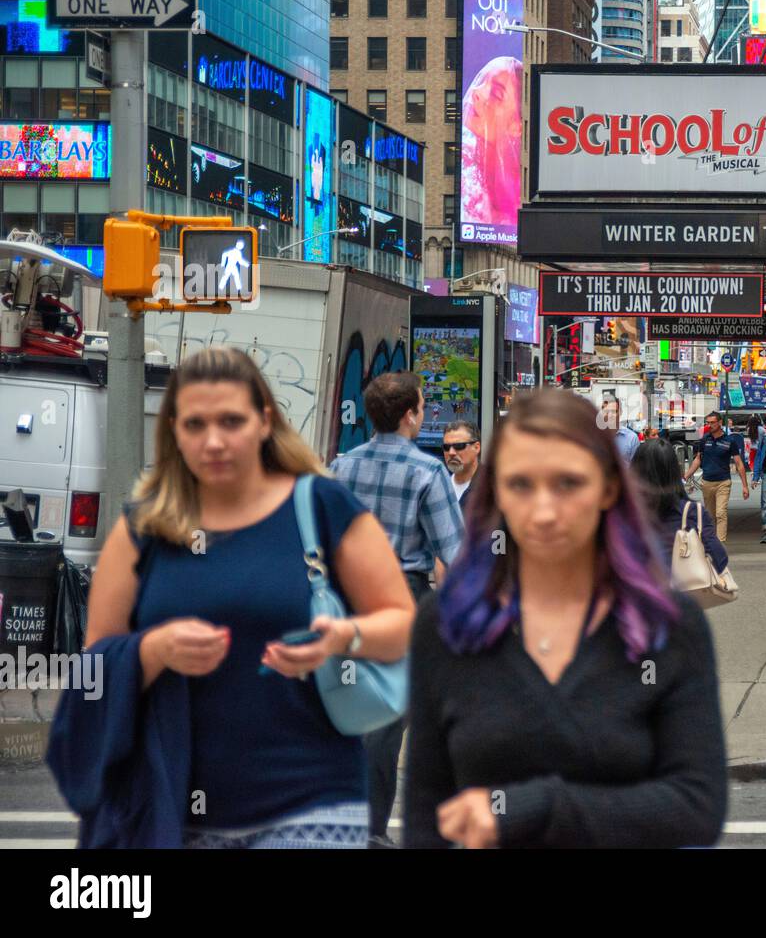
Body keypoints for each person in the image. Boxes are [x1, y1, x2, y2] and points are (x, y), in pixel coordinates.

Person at [50, 346, 415, 848]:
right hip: (173, 807)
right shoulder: (146, 527)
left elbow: (400, 624)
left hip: (312, 803)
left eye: (231, 421)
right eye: (196, 425)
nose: (214, 441)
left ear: (264, 422)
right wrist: (153, 652)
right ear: (174, 430)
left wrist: (342, 638)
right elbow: (92, 670)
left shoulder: (320, 505)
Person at [403, 388, 728, 848]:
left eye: (568, 483)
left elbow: (697, 807)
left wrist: (535, 808)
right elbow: (426, 818)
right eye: (520, 484)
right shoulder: (447, 624)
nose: (544, 510)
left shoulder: (668, 625)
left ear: (609, 487)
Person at [329, 371, 465, 848]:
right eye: (423, 406)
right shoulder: (428, 473)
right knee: (386, 722)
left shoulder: (341, 467)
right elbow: (457, 552)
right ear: (411, 415)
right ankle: (367, 831)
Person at [631, 437, 728, 574]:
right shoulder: (692, 513)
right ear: (675, 470)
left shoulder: (623, 514)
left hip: (637, 591)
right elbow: (720, 560)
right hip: (683, 590)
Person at [683, 411, 750, 543]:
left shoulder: (729, 441)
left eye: (712, 422)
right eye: (708, 423)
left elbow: (739, 464)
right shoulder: (704, 440)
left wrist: (745, 486)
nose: (710, 425)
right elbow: (697, 460)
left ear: (720, 423)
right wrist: (685, 476)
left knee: (721, 513)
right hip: (707, 483)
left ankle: (720, 543)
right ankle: (710, 542)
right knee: (710, 515)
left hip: (723, 482)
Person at [443, 420, 481, 511]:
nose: (451, 453)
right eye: (446, 447)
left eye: (459, 446)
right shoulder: (437, 485)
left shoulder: (494, 488)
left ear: (476, 447)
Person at [602, 397, 640, 464]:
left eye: (614, 411)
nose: (610, 415)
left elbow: (636, 468)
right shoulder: (594, 436)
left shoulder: (632, 438)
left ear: (620, 412)